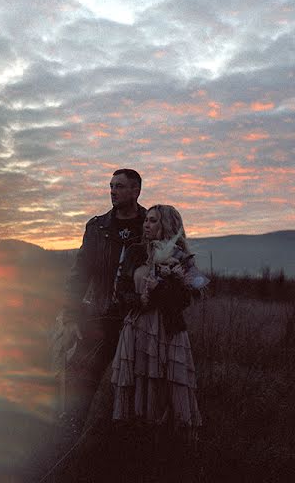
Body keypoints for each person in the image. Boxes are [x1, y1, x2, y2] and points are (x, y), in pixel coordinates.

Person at [55, 168, 147, 433]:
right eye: (111, 186)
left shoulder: (151, 224)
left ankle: (127, 436)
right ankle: (71, 432)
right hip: (99, 318)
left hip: (138, 321)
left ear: (136, 190)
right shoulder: (97, 228)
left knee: (136, 381)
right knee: (84, 377)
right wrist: (71, 317)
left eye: (119, 186)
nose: (113, 192)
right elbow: (79, 275)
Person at [109, 204, 205, 431]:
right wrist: (139, 300)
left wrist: (171, 281)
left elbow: (185, 300)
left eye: (153, 221)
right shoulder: (135, 251)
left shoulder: (181, 258)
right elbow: (120, 292)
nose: (146, 225)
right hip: (138, 328)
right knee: (138, 382)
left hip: (168, 330)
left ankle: (169, 441)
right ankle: (135, 437)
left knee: (168, 384)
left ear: (167, 225)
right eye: (146, 220)